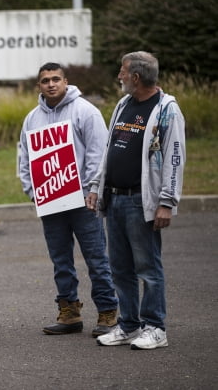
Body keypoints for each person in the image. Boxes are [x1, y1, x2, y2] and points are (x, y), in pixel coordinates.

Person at [87, 51, 186, 350]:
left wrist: (167, 202)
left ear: (136, 77)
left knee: (148, 269)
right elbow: (109, 150)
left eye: (122, 70)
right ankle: (129, 325)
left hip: (140, 201)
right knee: (120, 268)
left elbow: (175, 159)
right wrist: (96, 186)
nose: (119, 75)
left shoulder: (167, 109)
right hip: (114, 199)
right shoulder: (124, 104)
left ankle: (155, 327)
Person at [18, 62, 119, 337]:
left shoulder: (86, 111)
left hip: (83, 201)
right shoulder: (32, 119)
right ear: (39, 85)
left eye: (55, 79)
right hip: (51, 200)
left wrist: (93, 191)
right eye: (45, 80)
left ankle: (108, 313)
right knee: (61, 260)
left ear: (65, 81)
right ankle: (69, 313)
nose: (51, 84)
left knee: (96, 258)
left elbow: (99, 155)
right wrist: (33, 191)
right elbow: (24, 158)